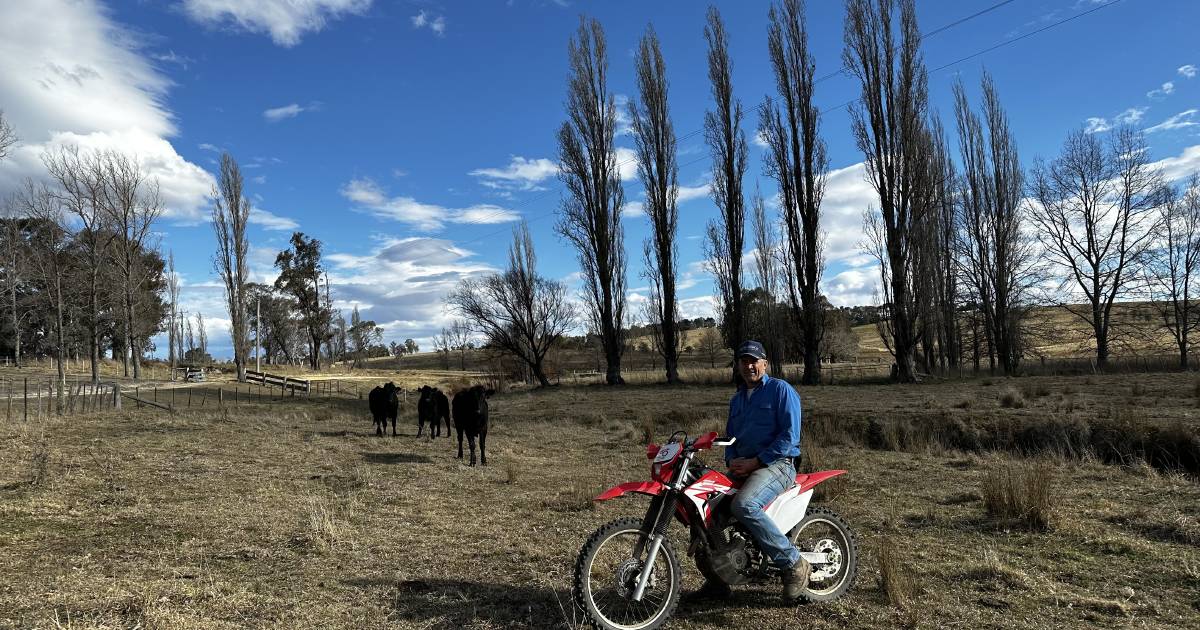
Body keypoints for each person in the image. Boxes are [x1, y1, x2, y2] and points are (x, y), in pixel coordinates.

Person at [702, 339, 810, 601]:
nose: (749, 365)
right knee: (706, 512)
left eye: (754, 360)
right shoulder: (737, 399)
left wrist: (756, 462)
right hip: (744, 468)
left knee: (744, 505)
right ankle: (718, 580)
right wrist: (731, 461)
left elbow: (789, 437)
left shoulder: (781, 390)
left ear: (765, 363)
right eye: (744, 360)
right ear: (738, 365)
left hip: (778, 465)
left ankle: (794, 563)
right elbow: (731, 438)